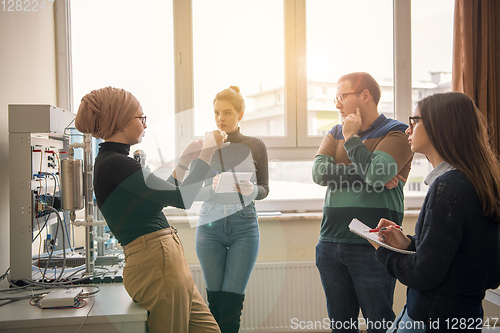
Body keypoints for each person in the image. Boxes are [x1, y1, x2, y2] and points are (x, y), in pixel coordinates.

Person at [75, 86, 226, 333]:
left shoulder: (114, 162)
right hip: (156, 265)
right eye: (140, 118)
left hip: (165, 262)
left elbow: (161, 197)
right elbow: (183, 198)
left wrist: (185, 162)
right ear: (121, 121)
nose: (145, 125)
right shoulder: (116, 164)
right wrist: (207, 153)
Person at [372, 92, 500, 332]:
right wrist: (410, 244)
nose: (408, 131)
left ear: (441, 127)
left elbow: (423, 275)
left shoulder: (449, 188)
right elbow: (473, 264)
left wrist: (383, 251)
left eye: (415, 121)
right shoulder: (479, 180)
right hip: (466, 316)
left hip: (431, 319)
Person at [312, 72, 414, 333]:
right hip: (330, 242)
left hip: (374, 244)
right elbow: (319, 173)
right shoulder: (334, 131)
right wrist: (369, 173)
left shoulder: (398, 131)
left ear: (364, 95)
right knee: (340, 325)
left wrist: (352, 138)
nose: (336, 104)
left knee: (379, 323)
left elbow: (377, 173)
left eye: (341, 97)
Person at [195, 86, 269, 333]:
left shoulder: (255, 145)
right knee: (214, 305)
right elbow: (193, 191)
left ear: (240, 114)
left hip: (244, 226)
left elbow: (265, 188)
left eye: (227, 112)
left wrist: (252, 190)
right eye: (217, 112)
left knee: (231, 307)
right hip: (210, 225)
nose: (220, 118)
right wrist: (212, 186)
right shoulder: (207, 145)